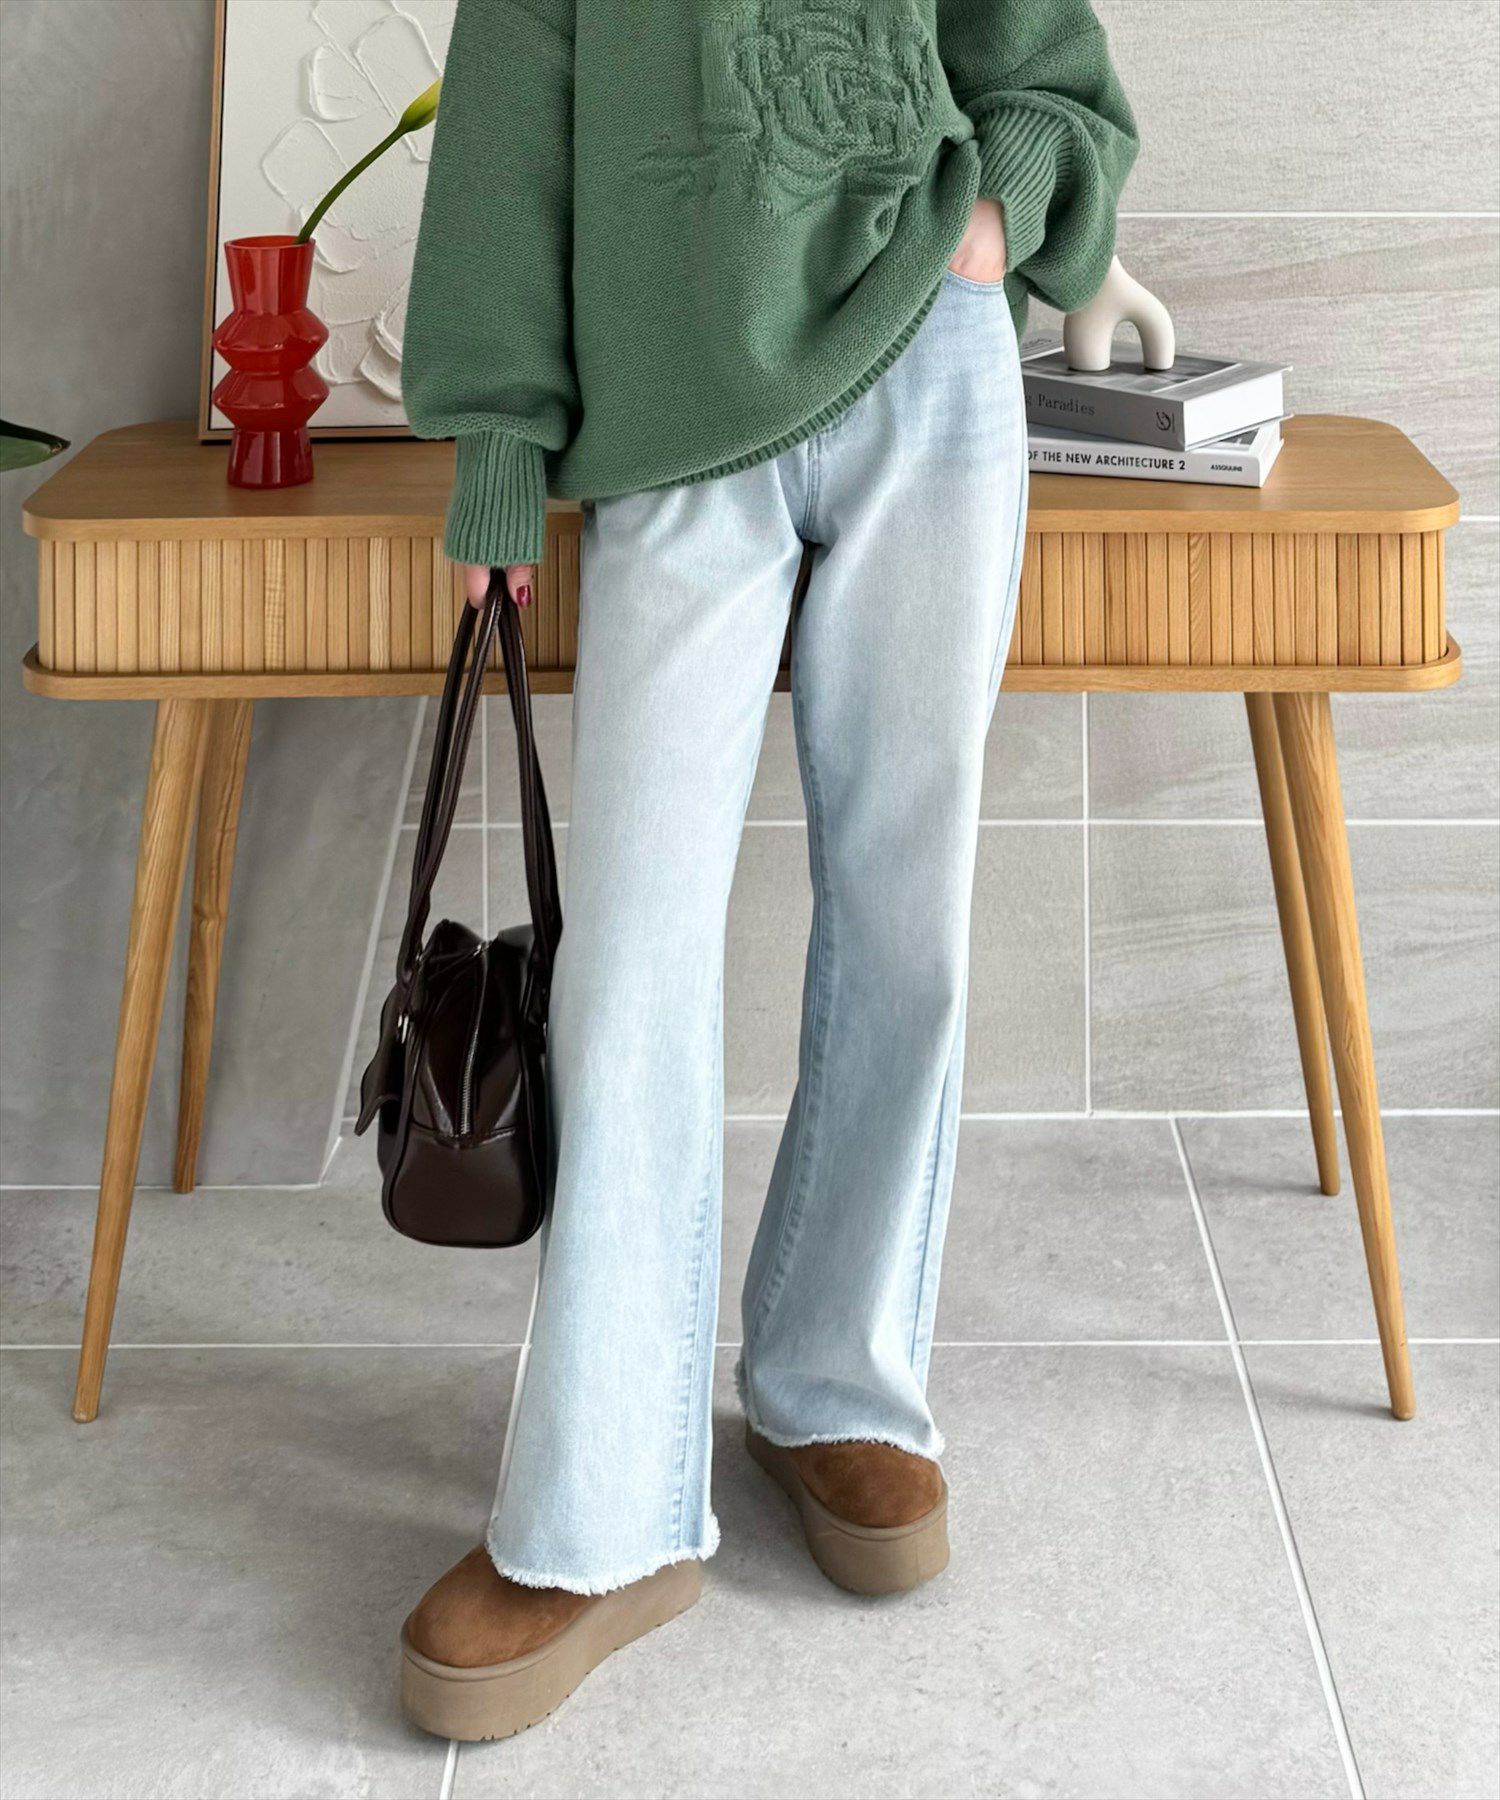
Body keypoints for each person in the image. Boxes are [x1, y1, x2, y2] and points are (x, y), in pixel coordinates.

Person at [396, 0, 1137, 1742]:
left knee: (907, 916)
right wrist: (498, 449)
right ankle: (601, 1514)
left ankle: (837, 1385)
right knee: (631, 964)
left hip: (932, 373)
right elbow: (508, 133)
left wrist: (994, 218)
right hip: (674, 413)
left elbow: (1046, 72)